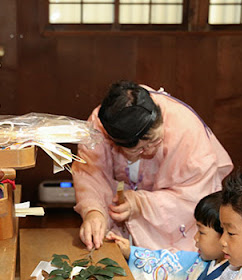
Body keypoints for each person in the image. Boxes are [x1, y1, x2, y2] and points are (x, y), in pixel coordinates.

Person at [73, 80, 233, 252]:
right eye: (139, 149)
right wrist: (94, 212)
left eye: (155, 141)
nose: (148, 151)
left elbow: (193, 196)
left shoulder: (186, 131)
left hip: (170, 224)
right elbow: (90, 172)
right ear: (114, 142)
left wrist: (140, 204)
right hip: (121, 212)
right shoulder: (99, 125)